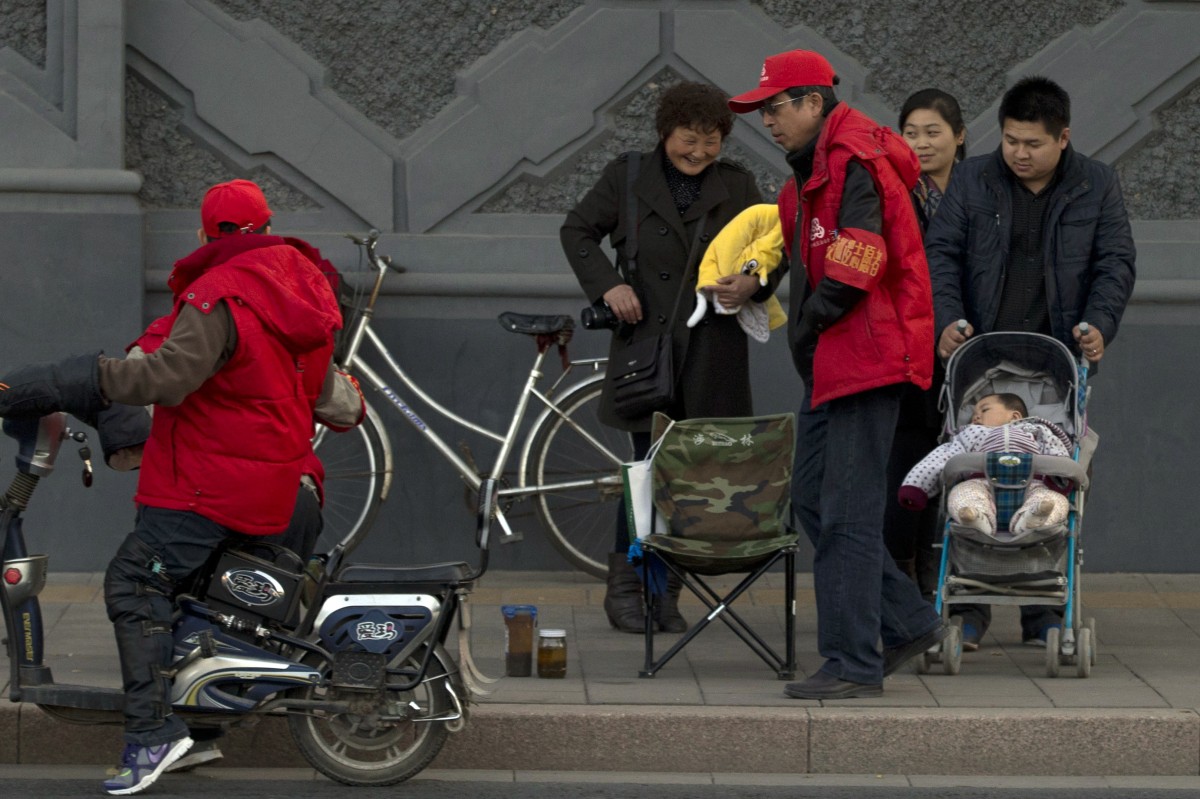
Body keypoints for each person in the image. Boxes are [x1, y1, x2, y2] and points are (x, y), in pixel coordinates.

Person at [0, 178, 347, 795]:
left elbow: (165, 376)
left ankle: (151, 735)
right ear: (264, 226)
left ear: (207, 233)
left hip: (212, 486)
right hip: (285, 485)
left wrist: (79, 379)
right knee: (197, 606)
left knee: (134, 582)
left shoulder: (217, 295)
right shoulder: (306, 294)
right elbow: (339, 406)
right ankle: (196, 735)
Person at [727, 49, 949, 700]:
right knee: (812, 499)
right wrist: (772, 289)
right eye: (761, 109)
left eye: (774, 107)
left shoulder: (853, 159)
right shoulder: (805, 181)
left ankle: (854, 661)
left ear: (812, 103)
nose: (765, 120)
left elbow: (861, 255)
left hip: (866, 356)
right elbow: (811, 256)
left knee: (848, 513)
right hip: (835, 359)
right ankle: (906, 620)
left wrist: (811, 319)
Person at [925, 75, 1136, 647]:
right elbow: (940, 252)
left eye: (1033, 143)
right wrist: (947, 318)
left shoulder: (1097, 183)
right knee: (973, 476)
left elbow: (1115, 262)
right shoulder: (972, 178)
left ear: (1062, 137)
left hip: (1056, 360)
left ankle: (1043, 611)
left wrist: (1099, 326)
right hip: (981, 357)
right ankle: (967, 609)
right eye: (1011, 140)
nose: (1019, 153)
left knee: (1047, 479)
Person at [561, 81, 770, 634]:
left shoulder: (738, 185)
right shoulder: (628, 177)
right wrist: (608, 287)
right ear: (664, 133)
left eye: (710, 141)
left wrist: (750, 283)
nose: (698, 152)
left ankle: (667, 593)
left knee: (693, 477)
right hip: (647, 348)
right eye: (687, 139)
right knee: (644, 474)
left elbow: (770, 252)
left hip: (711, 350)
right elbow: (578, 230)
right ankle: (629, 591)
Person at [883, 88, 969, 600]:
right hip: (909, 349)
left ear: (959, 137)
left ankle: (951, 579)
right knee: (910, 466)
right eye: (910, 133)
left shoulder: (976, 191)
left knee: (962, 466)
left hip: (963, 349)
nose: (920, 144)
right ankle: (904, 575)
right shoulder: (893, 191)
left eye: (933, 132)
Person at [898, 393, 1072, 544]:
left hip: (1032, 485)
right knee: (962, 492)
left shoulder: (1038, 431)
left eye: (984, 410)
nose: (976, 416)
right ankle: (975, 518)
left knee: (1054, 500)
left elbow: (1056, 452)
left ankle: (1033, 519)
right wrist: (917, 486)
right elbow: (941, 457)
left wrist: (1058, 478)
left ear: (1015, 416)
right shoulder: (970, 434)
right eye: (974, 413)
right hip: (981, 483)